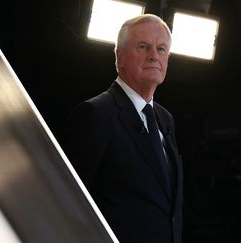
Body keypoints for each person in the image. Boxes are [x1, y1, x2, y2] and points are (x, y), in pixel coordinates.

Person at [63, 14, 183, 243]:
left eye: (161, 49)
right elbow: (70, 204)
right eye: (143, 47)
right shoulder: (95, 114)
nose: (153, 56)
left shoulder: (165, 119)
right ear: (120, 56)